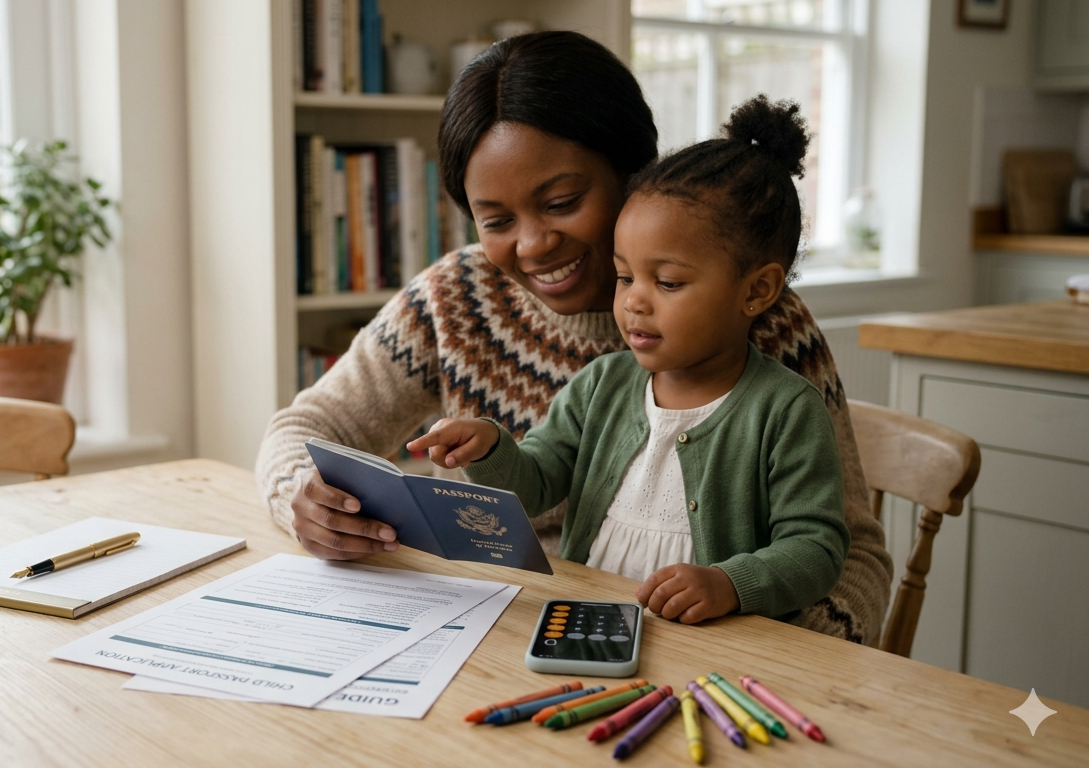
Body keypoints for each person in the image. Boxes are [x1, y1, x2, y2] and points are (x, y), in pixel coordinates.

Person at [257, 31, 892, 642]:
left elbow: (853, 556)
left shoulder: (758, 318)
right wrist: (303, 503)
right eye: (497, 219)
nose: (532, 244)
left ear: (632, 173)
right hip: (510, 635)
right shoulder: (457, 299)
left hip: (710, 662)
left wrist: (745, 656)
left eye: (561, 201)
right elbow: (305, 427)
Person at [407, 96, 848, 623]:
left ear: (757, 291)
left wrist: (731, 583)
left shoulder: (785, 410)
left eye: (667, 282)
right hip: (585, 622)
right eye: (624, 276)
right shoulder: (601, 385)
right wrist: (489, 449)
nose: (634, 301)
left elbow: (816, 548)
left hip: (707, 642)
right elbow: (537, 481)